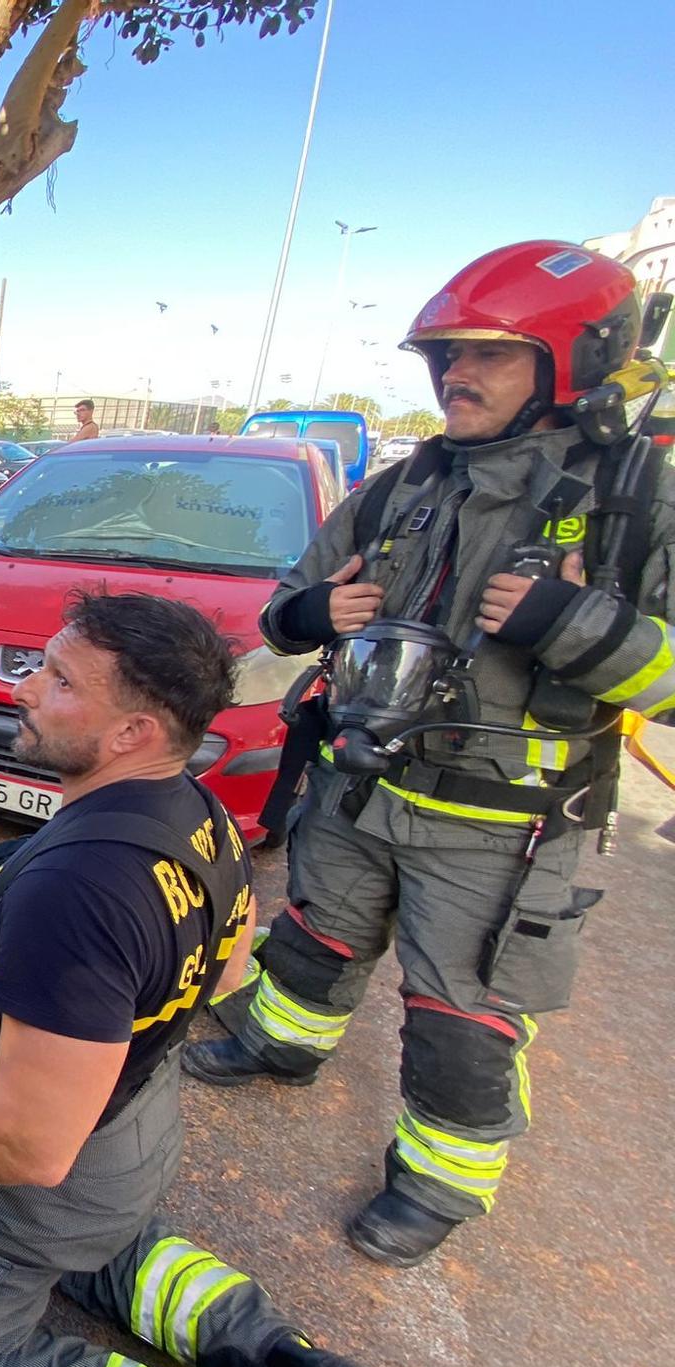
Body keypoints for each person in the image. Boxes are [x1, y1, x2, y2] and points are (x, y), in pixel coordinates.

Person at [0, 592, 447, 1367]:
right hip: (135, 1135)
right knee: (106, 1243)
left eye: (60, 680)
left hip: (49, 1176)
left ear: (132, 731)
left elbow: (28, 1146)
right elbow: (224, 975)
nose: (26, 687)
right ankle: (280, 1359)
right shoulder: (200, 813)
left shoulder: (81, 892)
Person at [184, 240, 675, 1267]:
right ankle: (282, 1042)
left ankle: (438, 1181)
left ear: (573, 362)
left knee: (462, 1013)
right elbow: (285, 605)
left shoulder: (637, 499)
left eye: (489, 354)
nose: (454, 372)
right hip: (361, 785)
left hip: (502, 821)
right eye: (443, 353)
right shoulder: (404, 485)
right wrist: (313, 610)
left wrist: (571, 625)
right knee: (316, 934)